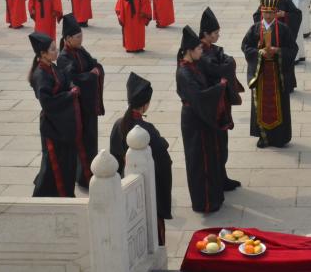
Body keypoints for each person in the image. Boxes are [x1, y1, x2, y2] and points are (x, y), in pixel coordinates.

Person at [109, 72, 172, 244]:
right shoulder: (147, 129)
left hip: (125, 185)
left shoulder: (119, 124)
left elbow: (115, 159)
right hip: (146, 187)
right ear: (145, 104)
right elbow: (164, 161)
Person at [176, 26, 228, 213]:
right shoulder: (184, 72)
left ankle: (214, 197)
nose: (201, 51)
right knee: (199, 160)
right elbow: (198, 96)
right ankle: (204, 202)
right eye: (198, 49)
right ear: (189, 51)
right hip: (194, 120)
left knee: (210, 157)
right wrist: (219, 88)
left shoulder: (193, 65)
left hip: (200, 116)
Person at [242, 0, 297, 148]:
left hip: (278, 73)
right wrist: (259, 53)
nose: (268, 16)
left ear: (275, 12)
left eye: (271, 12)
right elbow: (245, 47)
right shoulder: (255, 29)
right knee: (261, 105)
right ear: (261, 12)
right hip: (260, 73)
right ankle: (263, 136)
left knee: (279, 105)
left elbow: (293, 49)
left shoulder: (283, 29)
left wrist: (278, 51)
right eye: (265, 12)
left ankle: (280, 137)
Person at [29, 31, 80, 198]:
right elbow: (48, 102)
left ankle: (66, 194)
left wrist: (71, 86)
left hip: (61, 123)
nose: (56, 51)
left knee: (67, 161)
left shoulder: (52, 66)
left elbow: (65, 79)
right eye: (52, 49)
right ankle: (43, 196)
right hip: (52, 126)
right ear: (43, 54)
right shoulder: (40, 75)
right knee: (52, 165)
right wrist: (70, 95)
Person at [198, 7, 244, 191]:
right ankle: (216, 180)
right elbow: (221, 67)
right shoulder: (200, 52)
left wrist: (226, 63)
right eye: (215, 33)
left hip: (220, 102)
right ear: (206, 34)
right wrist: (227, 64)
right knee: (215, 145)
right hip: (212, 106)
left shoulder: (212, 49)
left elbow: (227, 60)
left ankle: (222, 177)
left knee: (222, 143)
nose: (218, 36)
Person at [57, 14, 103, 190]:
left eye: (81, 35)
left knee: (91, 140)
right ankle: (84, 177)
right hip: (77, 108)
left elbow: (94, 64)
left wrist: (96, 70)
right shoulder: (63, 58)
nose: (80, 39)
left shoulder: (80, 50)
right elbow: (73, 79)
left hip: (88, 104)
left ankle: (92, 171)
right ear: (68, 39)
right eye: (77, 37)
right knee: (82, 143)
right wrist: (91, 75)